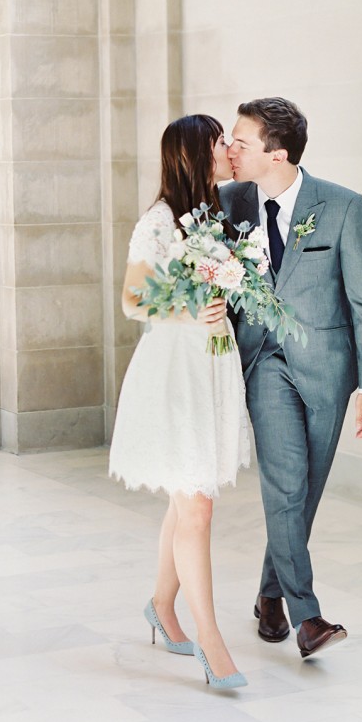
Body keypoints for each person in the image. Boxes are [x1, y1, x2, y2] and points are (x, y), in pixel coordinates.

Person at [220, 97, 362, 659]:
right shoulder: (226, 204)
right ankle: (307, 617)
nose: (230, 150)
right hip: (263, 363)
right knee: (286, 483)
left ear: (279, 154)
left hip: (326, 369)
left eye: (241, 143)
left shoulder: (341, 207)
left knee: (305, 491)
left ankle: (270, 594)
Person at [108, 114, 250, 689]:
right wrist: (191, 310)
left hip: (211, 365)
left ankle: (162, 609)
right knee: (197, 506)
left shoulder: (213, 216)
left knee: (187, 495)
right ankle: (209, 640)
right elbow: (133, 300)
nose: (226, 148)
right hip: (174, 372)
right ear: (195, 152)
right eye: (219, 141)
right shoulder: (160, 221)